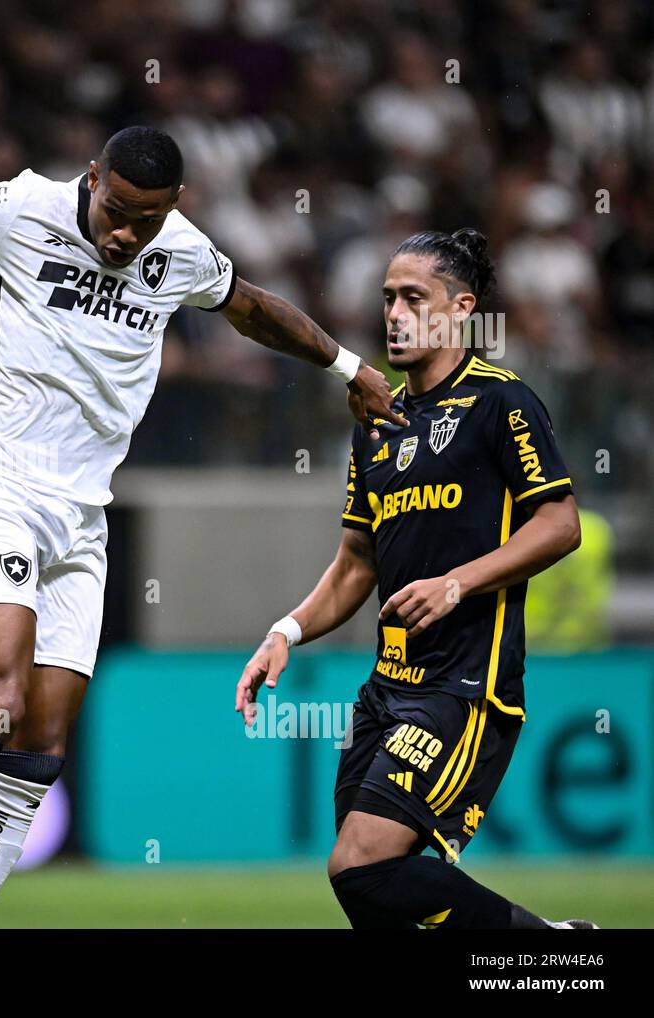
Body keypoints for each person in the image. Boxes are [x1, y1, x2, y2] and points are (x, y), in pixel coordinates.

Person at [0, 34, 403, 929]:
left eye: (150, 218)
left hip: (81, 518)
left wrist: (347, 367)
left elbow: (252, 308)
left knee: (38, 745)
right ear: (92, 177)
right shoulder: (21, 209)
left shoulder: (177, 250)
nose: (128, 234)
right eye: (120, 210)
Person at [237, 231, 595, 929]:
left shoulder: (502, 403)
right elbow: (356, 564)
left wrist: (457, 583)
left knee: (361, 864)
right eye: (387, 299)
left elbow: (560, 523)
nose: (394, 315)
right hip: (385, 691)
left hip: (465, 685)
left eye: (412, 298)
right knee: (373, 893)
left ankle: (552, 946)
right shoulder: (375, 423)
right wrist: (287, 631)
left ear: (460, 309)